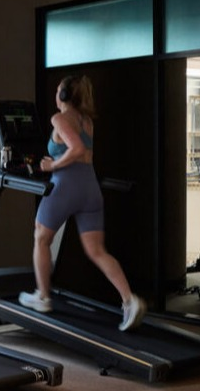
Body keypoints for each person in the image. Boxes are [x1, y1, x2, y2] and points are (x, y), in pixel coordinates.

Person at [18, 75, 147, 331]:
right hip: (90, 187)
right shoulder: (86, 121)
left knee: (41, 238)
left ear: (64, 95)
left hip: (67, 186)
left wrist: (51, 165)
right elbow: (82, 150)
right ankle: (129, 301)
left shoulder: (60, 119)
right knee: (97, 251)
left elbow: (75, 149)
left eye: (58, 91)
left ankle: (42, 296)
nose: (56, 94)